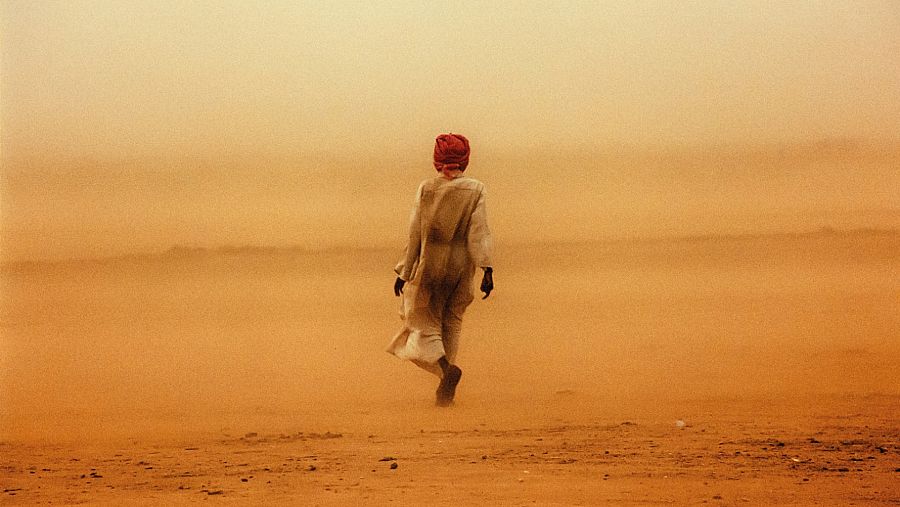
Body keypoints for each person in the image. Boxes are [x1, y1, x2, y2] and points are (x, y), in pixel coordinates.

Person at [386, 133, 494, 407]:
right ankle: (446, 388)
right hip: (461, 269)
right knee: (453, 320)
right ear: (464, 160)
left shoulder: (427, 189)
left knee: (423, 323)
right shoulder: (477, 189)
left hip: (431, 267)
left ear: (438, 160)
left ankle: (446, 370)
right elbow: (479, 232)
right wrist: (486, 268)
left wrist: (404, 271)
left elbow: (415, 234)